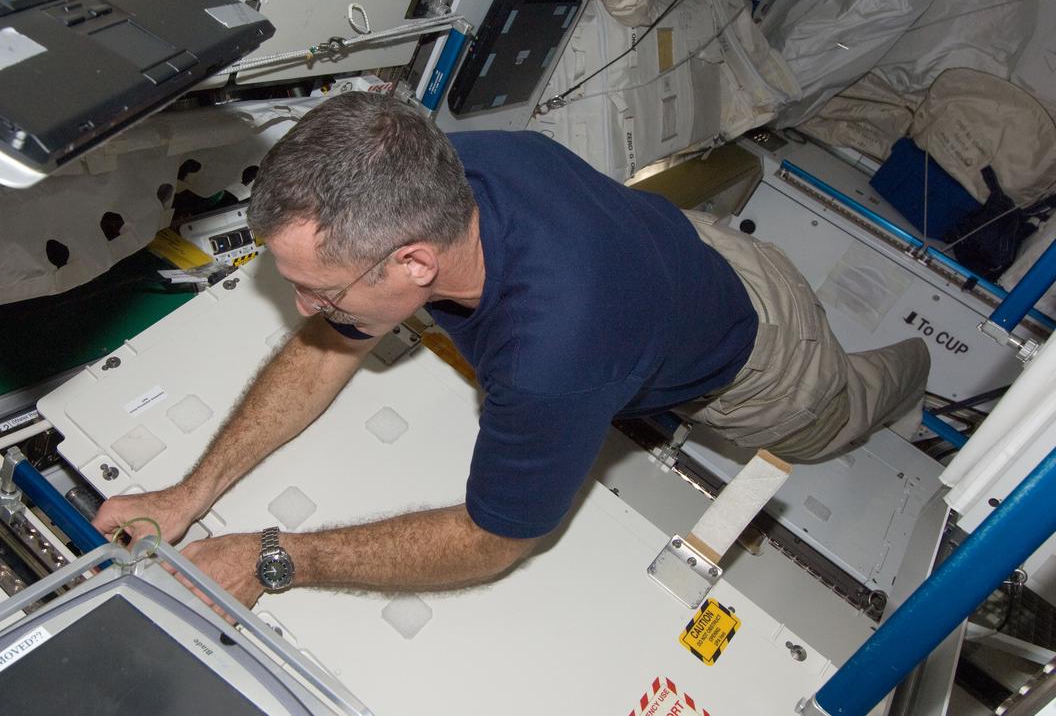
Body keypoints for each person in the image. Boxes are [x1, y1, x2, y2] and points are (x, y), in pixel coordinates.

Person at [92, 91, 930, 608]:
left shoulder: (552, 356)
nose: (306, 310)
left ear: (414, 261)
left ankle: (925, 368)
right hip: (684, 252)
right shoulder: (453, 168)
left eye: (323, 290)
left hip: (766, 361)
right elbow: (328, 345)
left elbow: (495, 539)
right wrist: (189, 491)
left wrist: (274, 559)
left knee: (851, 405)